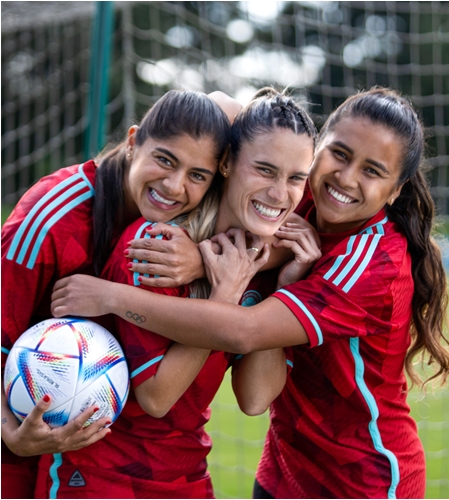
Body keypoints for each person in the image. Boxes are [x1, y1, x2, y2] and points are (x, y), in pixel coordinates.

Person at [49, 87, 449, 499]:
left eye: (373, 170)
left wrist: (117, 295)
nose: (345, 178)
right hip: (277, 468)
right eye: (340, 154)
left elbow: (248, 354)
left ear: (396, 189)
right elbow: (228, 108)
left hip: (358, 479)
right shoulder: (179, 244)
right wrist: (207, 262)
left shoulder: (369, 261)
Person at [33, 88, 319, 499]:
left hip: (186, 474)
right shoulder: (157, 246)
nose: (280, 195)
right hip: (100, 475)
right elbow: (156, 396)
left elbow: (256, 398)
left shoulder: (259, 256)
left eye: (295, 179)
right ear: (226, 164)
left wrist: (286, 287)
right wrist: (223, 296)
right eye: (264, 170)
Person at [1, 90, 231, 499]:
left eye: (198, 175)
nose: (175, 186)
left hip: (88, 448)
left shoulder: (189, 229)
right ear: (132, 141)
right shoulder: (50, 218)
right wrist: (9, 432)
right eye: (165, 159)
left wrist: (199, 260)